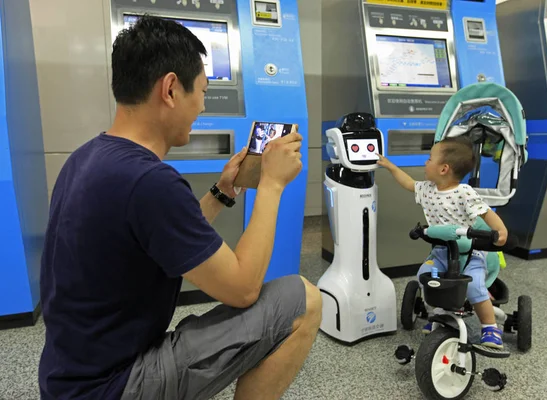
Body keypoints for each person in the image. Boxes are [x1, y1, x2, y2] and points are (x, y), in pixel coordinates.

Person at [38, 15, 322, 400]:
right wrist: (271, 185)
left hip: (69, 377)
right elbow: (242, 290)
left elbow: (164, 241)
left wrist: (223, 192)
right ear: (171, 89)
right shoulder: (149, 181)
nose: (202, 106)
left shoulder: (88, 157)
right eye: (202, 92)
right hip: (114, 386)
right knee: (302, 299)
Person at [377, 137, 508, 349]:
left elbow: (485, 212)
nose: (425, 162)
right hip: (441, 252)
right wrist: (391, 166)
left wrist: (500, 231)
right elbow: (409, 183)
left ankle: (490, 327)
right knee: (426, 277)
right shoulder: (428, 189)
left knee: (474, 285)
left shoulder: (464, 192)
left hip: (468, 254)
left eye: (430, 159)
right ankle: (440, 314)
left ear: (444, 168)